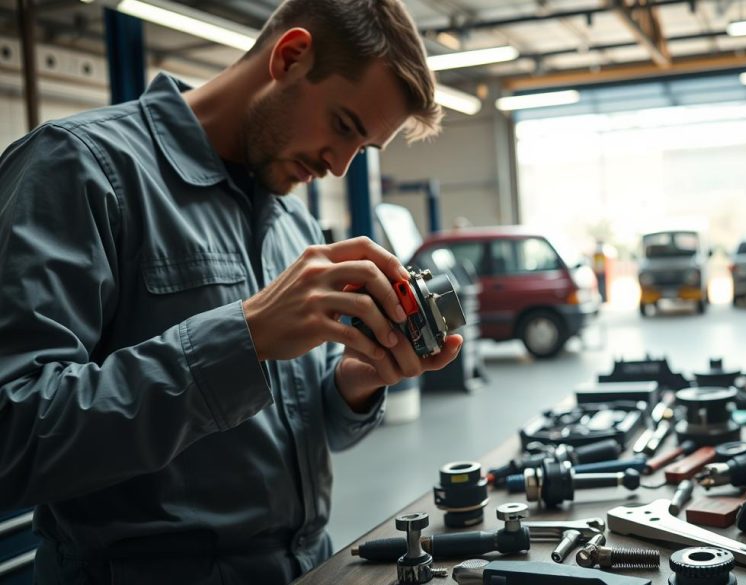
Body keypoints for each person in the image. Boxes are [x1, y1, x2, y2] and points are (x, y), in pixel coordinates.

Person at [0, 0, 462, 583]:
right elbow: (12, 433)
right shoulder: (80, 168)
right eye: (344, 126)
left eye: (361, 148)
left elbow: (305, 430)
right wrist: (241, 338)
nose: (340, 167)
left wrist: (355, 383)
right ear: (291, 57)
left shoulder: (292, 227)